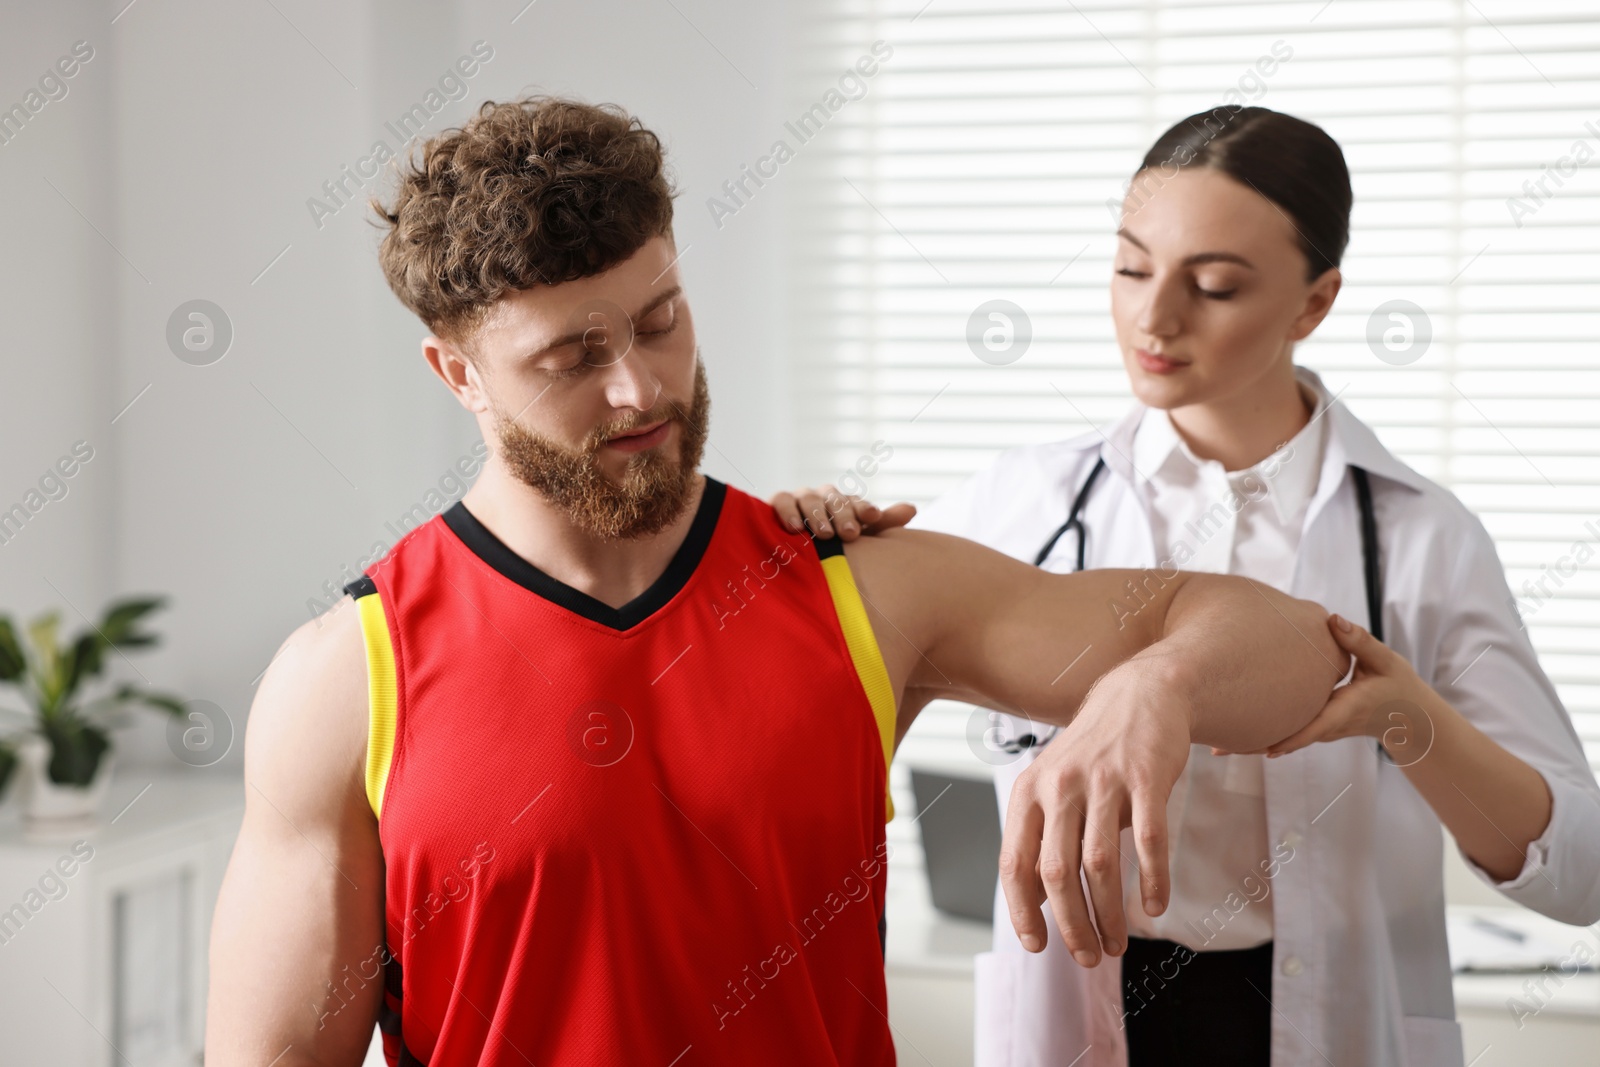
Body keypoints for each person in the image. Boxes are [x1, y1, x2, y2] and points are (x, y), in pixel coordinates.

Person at [202, 97, 1349, 1067]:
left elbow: (1302, 657)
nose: (638, 390)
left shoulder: (859, 588)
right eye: (570, 358)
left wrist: (1158, 688)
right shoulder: (345, 677)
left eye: (661, 322)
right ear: (457, 373)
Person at [773, 106, 1600, 1067]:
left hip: (1315, 1019)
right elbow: (833, 699)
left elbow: (1579, 874)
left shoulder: (1422, 539)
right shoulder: (1019, 502)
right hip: (1087, 1011)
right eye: (1130, 268)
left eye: (1211, 286)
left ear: (1315, 303)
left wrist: (1409, 719)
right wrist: (808, 545)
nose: (1153, 316)